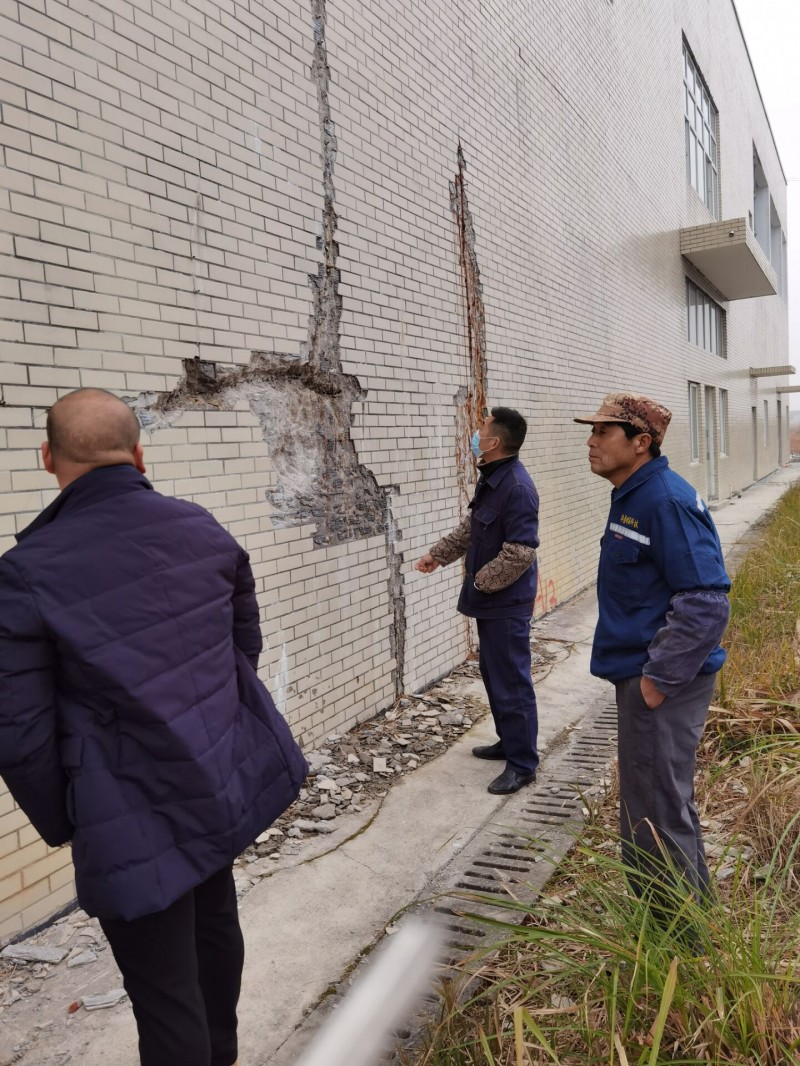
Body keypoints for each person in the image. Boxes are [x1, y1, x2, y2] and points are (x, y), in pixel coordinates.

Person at [0, 388, 308, 1066]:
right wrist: (212, 730)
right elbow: (242, 647)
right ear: (139, 454)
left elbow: (18, 734)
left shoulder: (25, 574)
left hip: (124, 806)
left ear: (49, 458)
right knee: (214, 930)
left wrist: (72, 816)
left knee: (166, 995)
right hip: (209, 779)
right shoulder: (201, 527)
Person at [574, 392, 730, 903]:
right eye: (592, 430)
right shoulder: (634, 495)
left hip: (664, 681)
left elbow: (706, 602)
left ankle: (675, 935)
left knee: (655, 812)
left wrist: (656, 682)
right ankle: (682, 921)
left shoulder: (663, 501)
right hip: (648, 676)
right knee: (656, 804)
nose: (591, 441)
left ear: (641, 442)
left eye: (603, 431)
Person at [416, 407, 540, 794]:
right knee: (494, 674)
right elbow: (472, 527)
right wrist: (438, 555)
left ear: (494, 441)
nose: (476, 434)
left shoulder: (517, 487)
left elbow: (520, 552)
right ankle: (510, 741)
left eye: (481, 429)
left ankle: (523, 764)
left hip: (505, 603)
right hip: (492, 602)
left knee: (511, 681)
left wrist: (481, 582)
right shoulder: (493, 478)